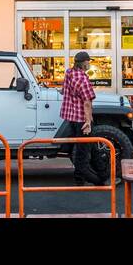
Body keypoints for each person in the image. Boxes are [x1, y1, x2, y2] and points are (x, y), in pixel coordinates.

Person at [56, 51, 111, 186]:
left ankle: (103, 175)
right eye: (88, 62)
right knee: (82, 152)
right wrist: (87, 122)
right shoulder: (83, 80)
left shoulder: (69, 73)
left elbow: (63, 90)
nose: (89, 64)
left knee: (90, 147)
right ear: (84, 63)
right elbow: (87, 102)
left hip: (71, 118)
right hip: (81, 119)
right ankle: (92, 180)